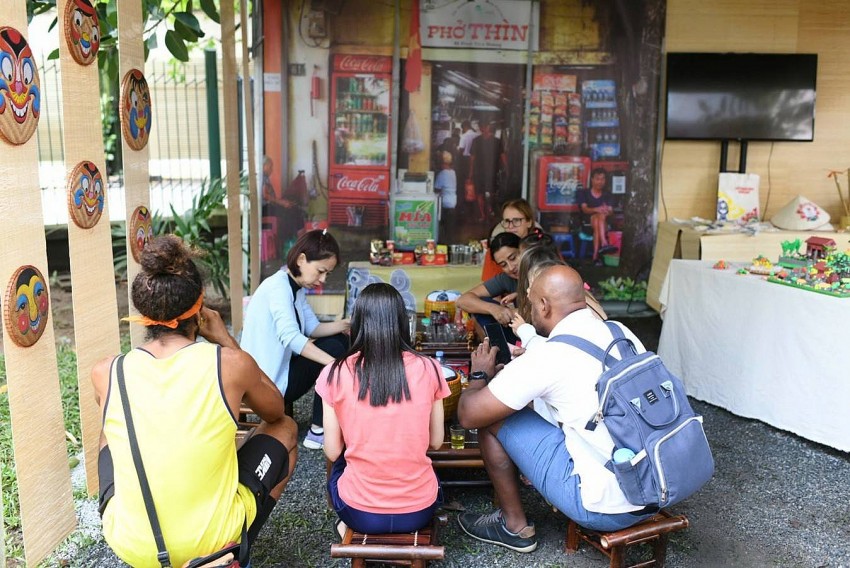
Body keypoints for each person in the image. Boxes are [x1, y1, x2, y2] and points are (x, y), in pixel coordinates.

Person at [92, 235, 297, 567]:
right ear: (200, 308)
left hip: (131, 543)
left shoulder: (106, 371)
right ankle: (232, 550)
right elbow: (275, 409)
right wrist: (226, 340)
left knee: (107, 430)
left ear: (143, 313)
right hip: (208, 542)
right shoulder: (228, 364)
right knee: (286, 429)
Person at [456, 265, 655, 553]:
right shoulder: (618, 331)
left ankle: (514, 526)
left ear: (544, 306)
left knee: (492, 417)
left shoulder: (549, 355)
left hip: (605, 507)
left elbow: (469, 415)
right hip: (656, 486)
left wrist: (479, 375)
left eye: (531, 303)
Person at [317, 283, 450, 536]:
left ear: (357, 323)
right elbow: (435, 441)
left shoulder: (334, 372)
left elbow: (333, 451)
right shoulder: (430, 368)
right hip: (418, 511)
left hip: (359, 512)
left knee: (339, 466)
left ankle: (344, 523)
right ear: (402, 322)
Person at [241, 229, 350, 450]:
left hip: (277, 373)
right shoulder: (278, 287)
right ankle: (318, 428)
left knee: (339, 340)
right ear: (301, 259)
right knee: (335, 350)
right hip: (266, 383)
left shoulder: (294, 289)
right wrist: (334, 364)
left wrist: (348, 323)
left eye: (327, 274)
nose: (322, 280)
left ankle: (321, 424)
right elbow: (291, 338)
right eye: (320, 271)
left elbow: (313, 327)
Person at [455, 231, 521, 345]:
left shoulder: (542, 272)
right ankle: (499, 356)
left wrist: (509, 312)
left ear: (524, 250)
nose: (511, 267)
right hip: (520, 332)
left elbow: (541, 313)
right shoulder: (507, 278)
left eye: (513, 258)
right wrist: (494, 309)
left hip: (544, 337)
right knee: (482, 306)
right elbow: (462, 300)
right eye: (503, 265)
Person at [480, 198, 539, 282]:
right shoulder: (494, 253)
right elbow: (488, 289)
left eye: (516, 220)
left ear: (529, 222)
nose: (511, 226)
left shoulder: (544, 248)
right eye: (507, 221)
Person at [467, 121, 508, 222]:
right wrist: (471, 173)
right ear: (481, 128)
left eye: (486, 126)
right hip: (479, 171)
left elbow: (503, 156)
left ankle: (490, 210)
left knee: (492, 192)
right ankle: (483, 214)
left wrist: (507, 168)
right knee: (479, 193)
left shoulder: (497, 141)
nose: (484, 128)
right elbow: (472, 158)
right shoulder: (476, 141)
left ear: (489, 127)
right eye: (482, 126)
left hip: (493, 171)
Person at [580, 167, 618, 264]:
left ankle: (595, 256)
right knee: (597, 217)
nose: (600, 182)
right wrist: (596, 209)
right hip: (588, 226)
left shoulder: (608, 194)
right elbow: (585, 209)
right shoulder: (584, 193)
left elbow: (611, 211)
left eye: (602, 179)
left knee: (599, 218)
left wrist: (606, 211)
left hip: (604, 225)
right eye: (597, 179)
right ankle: (604, 243)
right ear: (592, 179)